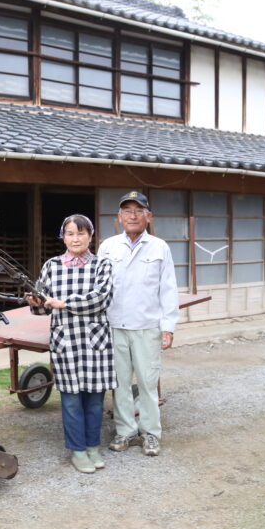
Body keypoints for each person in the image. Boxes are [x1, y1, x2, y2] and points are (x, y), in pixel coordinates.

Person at [26, 214, 114, 474]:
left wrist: (64, 303)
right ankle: (77, 450)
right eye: (70, 233)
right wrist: (36, 303)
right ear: (62, 237)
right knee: (72, 399)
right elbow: (42, 307)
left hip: (95, 341)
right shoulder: (52, 266)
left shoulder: (102, 265)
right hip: (65, 340)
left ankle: (93, 447)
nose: (75, 238)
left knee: (95, 399)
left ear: (91, 236)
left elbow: (101, 299)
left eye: (81, 233)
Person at [97, 191, 179, 457]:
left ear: (148, 216)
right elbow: (98, 289)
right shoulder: (108, 246)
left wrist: (168, 327)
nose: (133, 215)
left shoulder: (159, 247)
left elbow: (168, 289)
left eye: (138, 210)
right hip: (114, 325)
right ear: (119, 217)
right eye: (127, 211)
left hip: (147, 326)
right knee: (119, 383)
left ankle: (151, 433)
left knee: (147, 382)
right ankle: (125, 431)